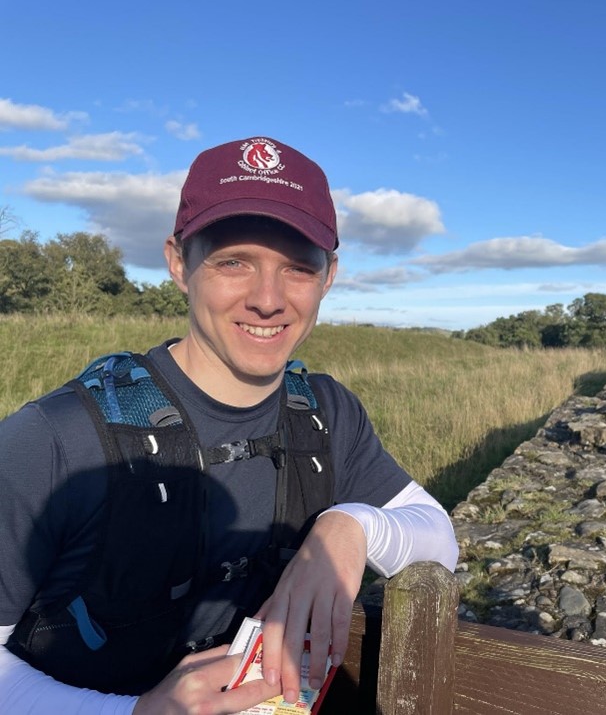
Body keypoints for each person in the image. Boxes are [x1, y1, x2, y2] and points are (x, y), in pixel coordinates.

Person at [0, 136, 459, 714]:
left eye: (297, 267)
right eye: (233, 262)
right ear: (178, 262)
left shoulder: (325, 412)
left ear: (330, 276)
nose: (268, 300)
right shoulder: (56, 438)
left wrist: (351, 527)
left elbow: (438, 540)